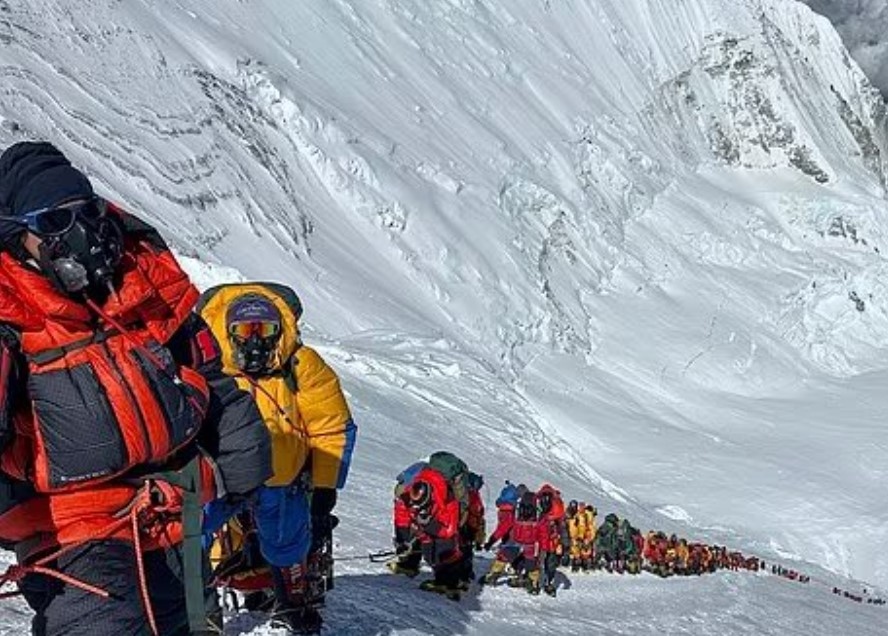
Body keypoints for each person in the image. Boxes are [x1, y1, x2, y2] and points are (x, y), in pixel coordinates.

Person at [0, 141, 272, 635]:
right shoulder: (10, 316)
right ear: (19, 238)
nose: (81, 234)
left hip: (168, 502)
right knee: (101, 624)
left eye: (86, 213)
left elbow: (207, 372)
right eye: (56, 223)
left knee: (185, 624)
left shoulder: (139, 286)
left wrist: (240, 452)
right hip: (75, 526)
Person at [198, 282, 357, 633]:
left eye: (266, 331)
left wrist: (325, 485)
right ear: (229, 332)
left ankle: (291, 603)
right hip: (223, 477)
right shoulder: (207, 366)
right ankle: (199, 614)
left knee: (287, 541)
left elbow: (330, 427)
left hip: (281, 478)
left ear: (280, 330)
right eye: (244, 331)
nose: (256, 341)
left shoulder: (302, 366)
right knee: (189, 533)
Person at [479, 482, 520, 586]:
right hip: (517, 538)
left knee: (503, 557)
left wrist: (491, 540)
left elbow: (502, 529)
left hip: (511, 539)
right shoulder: (514, 510)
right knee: (513, 556)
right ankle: (514, 576)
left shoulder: (506, 512)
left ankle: (492, 576)